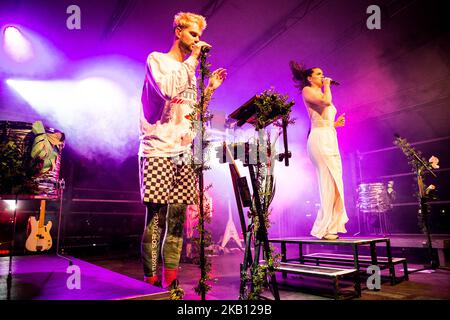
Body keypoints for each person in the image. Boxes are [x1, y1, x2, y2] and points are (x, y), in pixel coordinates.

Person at [138, 12, 227, 289]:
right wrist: (192, 62)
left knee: (177, 221)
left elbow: (193, 113)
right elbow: (167, 90)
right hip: (157, 150)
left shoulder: (192, 72)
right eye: (192, 34)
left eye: (199, 36)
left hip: (183, 153)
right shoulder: (157, 60)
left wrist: (209, 90)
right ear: (178, 32)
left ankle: (172, 281)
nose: (197, 40)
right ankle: (150, 282)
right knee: (156, 220)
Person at [289, 61, 348, 240]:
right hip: (319, 139)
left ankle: (332, 225)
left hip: (330, 136)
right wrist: (328, 86)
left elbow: (323, 116)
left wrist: (335, 124)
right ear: (309, 78)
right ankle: (323, 227)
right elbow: (325, 102)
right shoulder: (308, 91)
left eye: (323, 74)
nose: (323, 77)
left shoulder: (320, 92)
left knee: (336, 181)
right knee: (327, 182)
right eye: (319, 74)